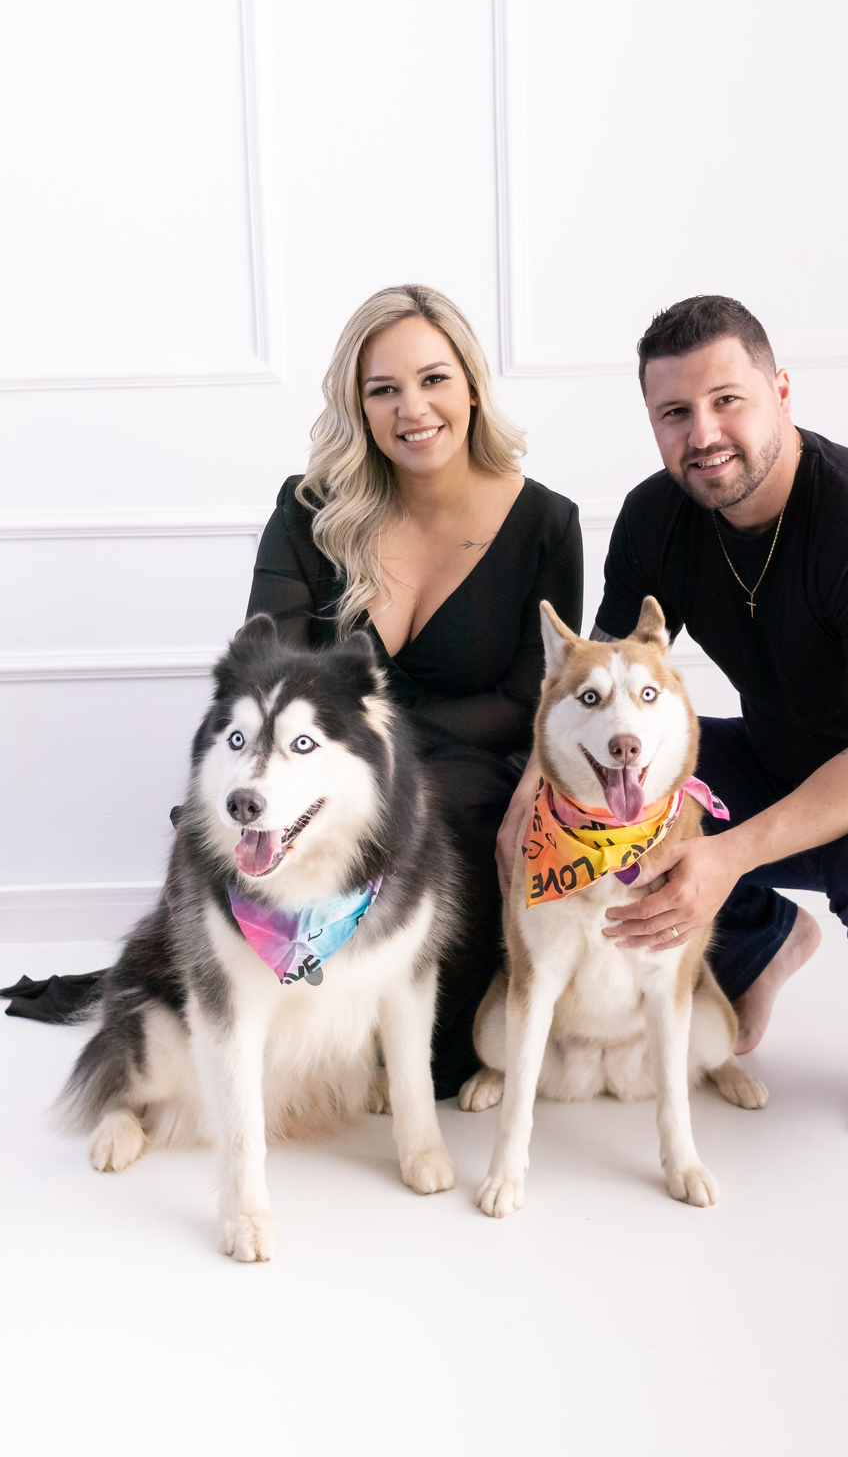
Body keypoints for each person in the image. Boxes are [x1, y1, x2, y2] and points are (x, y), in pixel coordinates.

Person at [495, 294, 848, 1139]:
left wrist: (725, 858)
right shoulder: (657, 516)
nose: (702, 432)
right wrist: (534, 797)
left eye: (726, 400)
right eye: (675, 412)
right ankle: (764, 942)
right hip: (783, 758)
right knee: (622, 790)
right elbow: (590, 682)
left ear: (781, 392)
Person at [248, 284, 582, 1098]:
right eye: (383, 389)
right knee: (241, 818)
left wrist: (378, 746)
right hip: (319, 765)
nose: (413, 408)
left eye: (433, 379)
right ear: (358, 407)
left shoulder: (547, 524)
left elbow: (526, 697)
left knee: (437, 807)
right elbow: (268, 675)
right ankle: (284, 1034)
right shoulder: (308, 513)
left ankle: (416, 1050)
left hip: (472, 770)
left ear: (471, 383)